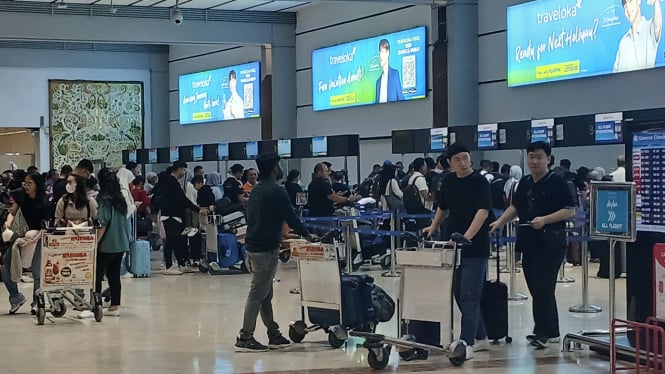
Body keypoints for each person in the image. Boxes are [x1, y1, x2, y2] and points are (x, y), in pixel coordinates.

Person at [490, 141, 576, 349]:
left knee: (544, 287)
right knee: (535, 287)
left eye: (539, 157)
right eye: (531, 157)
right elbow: (516, 207)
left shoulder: (558, 182)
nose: (534, 161)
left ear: (548, 158)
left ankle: (548, 332)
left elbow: (570, 210)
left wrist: (546, 219)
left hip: (551, 242)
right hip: (529, 241)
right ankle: (544, 329)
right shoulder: (525, 182)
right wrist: (501, 221)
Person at [235, 153, 313, 352]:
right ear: (273, 169)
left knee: (265, 294)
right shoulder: (276, 191)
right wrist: (307, 235)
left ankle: (273, 333)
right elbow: (290, 216)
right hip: (265, 249)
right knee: (257, 294)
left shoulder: (256, 190)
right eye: (278, 166)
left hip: (253, 247)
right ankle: (245, 337)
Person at [422, 143, 492, 360]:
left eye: (466, 158)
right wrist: (433, 227)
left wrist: (467, 237)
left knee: (470, 294)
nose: (463, 162)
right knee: (457, 293)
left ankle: (467, 342)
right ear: (450, 163)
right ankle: (480, 337)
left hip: (475, 246)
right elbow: (443, 207)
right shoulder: (449, 181)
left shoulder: (479, 181)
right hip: (451, 246)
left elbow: (483, 211)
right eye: (458, 159)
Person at [1, 171, 50, 314]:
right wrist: (8, 222)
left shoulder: (44, 202)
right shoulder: (21, 195)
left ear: (37, 185)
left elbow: (46, 226)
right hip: (21, 236)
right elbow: (12, 212)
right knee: (5, 265)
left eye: (30, 183)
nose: (26, 186)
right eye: (25, 183)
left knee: (36, 270)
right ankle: (16, 297)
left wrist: (35, 239)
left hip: (38, 237)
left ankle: (37, 301)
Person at [156, 161, 208, 275]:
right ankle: (168, 266)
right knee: (170, 240)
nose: (184, 173)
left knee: (178, 241)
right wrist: (198, 209)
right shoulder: (171, 182)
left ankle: (181, 264)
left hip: (174, 215)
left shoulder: (169, 182)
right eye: (184, 170)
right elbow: (182, 199)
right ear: (178, 169)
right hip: (170, 215)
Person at [95, 168, 131, 317]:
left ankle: (95, 304)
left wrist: (95, 243)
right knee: (114, 275)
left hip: (107, 244)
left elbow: (103, 223)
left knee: (96, 275)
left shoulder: (103, 200)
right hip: (121, 243)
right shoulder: (120, 199)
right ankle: (115, 305)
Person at [614, 0, 662, 73]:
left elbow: (657, 25)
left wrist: (656, 3)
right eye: (625, 7)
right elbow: (615, 73)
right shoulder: (623, 42)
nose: (628, 9)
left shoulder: (649, 28)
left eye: (630, 2)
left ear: (638, 1)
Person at [375, 39, 404, 103]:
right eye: (379, 52)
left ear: (387, 53)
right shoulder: (378, 82)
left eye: (382, 51)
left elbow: (402, 100)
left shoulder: (395, 75)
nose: (380, 56)